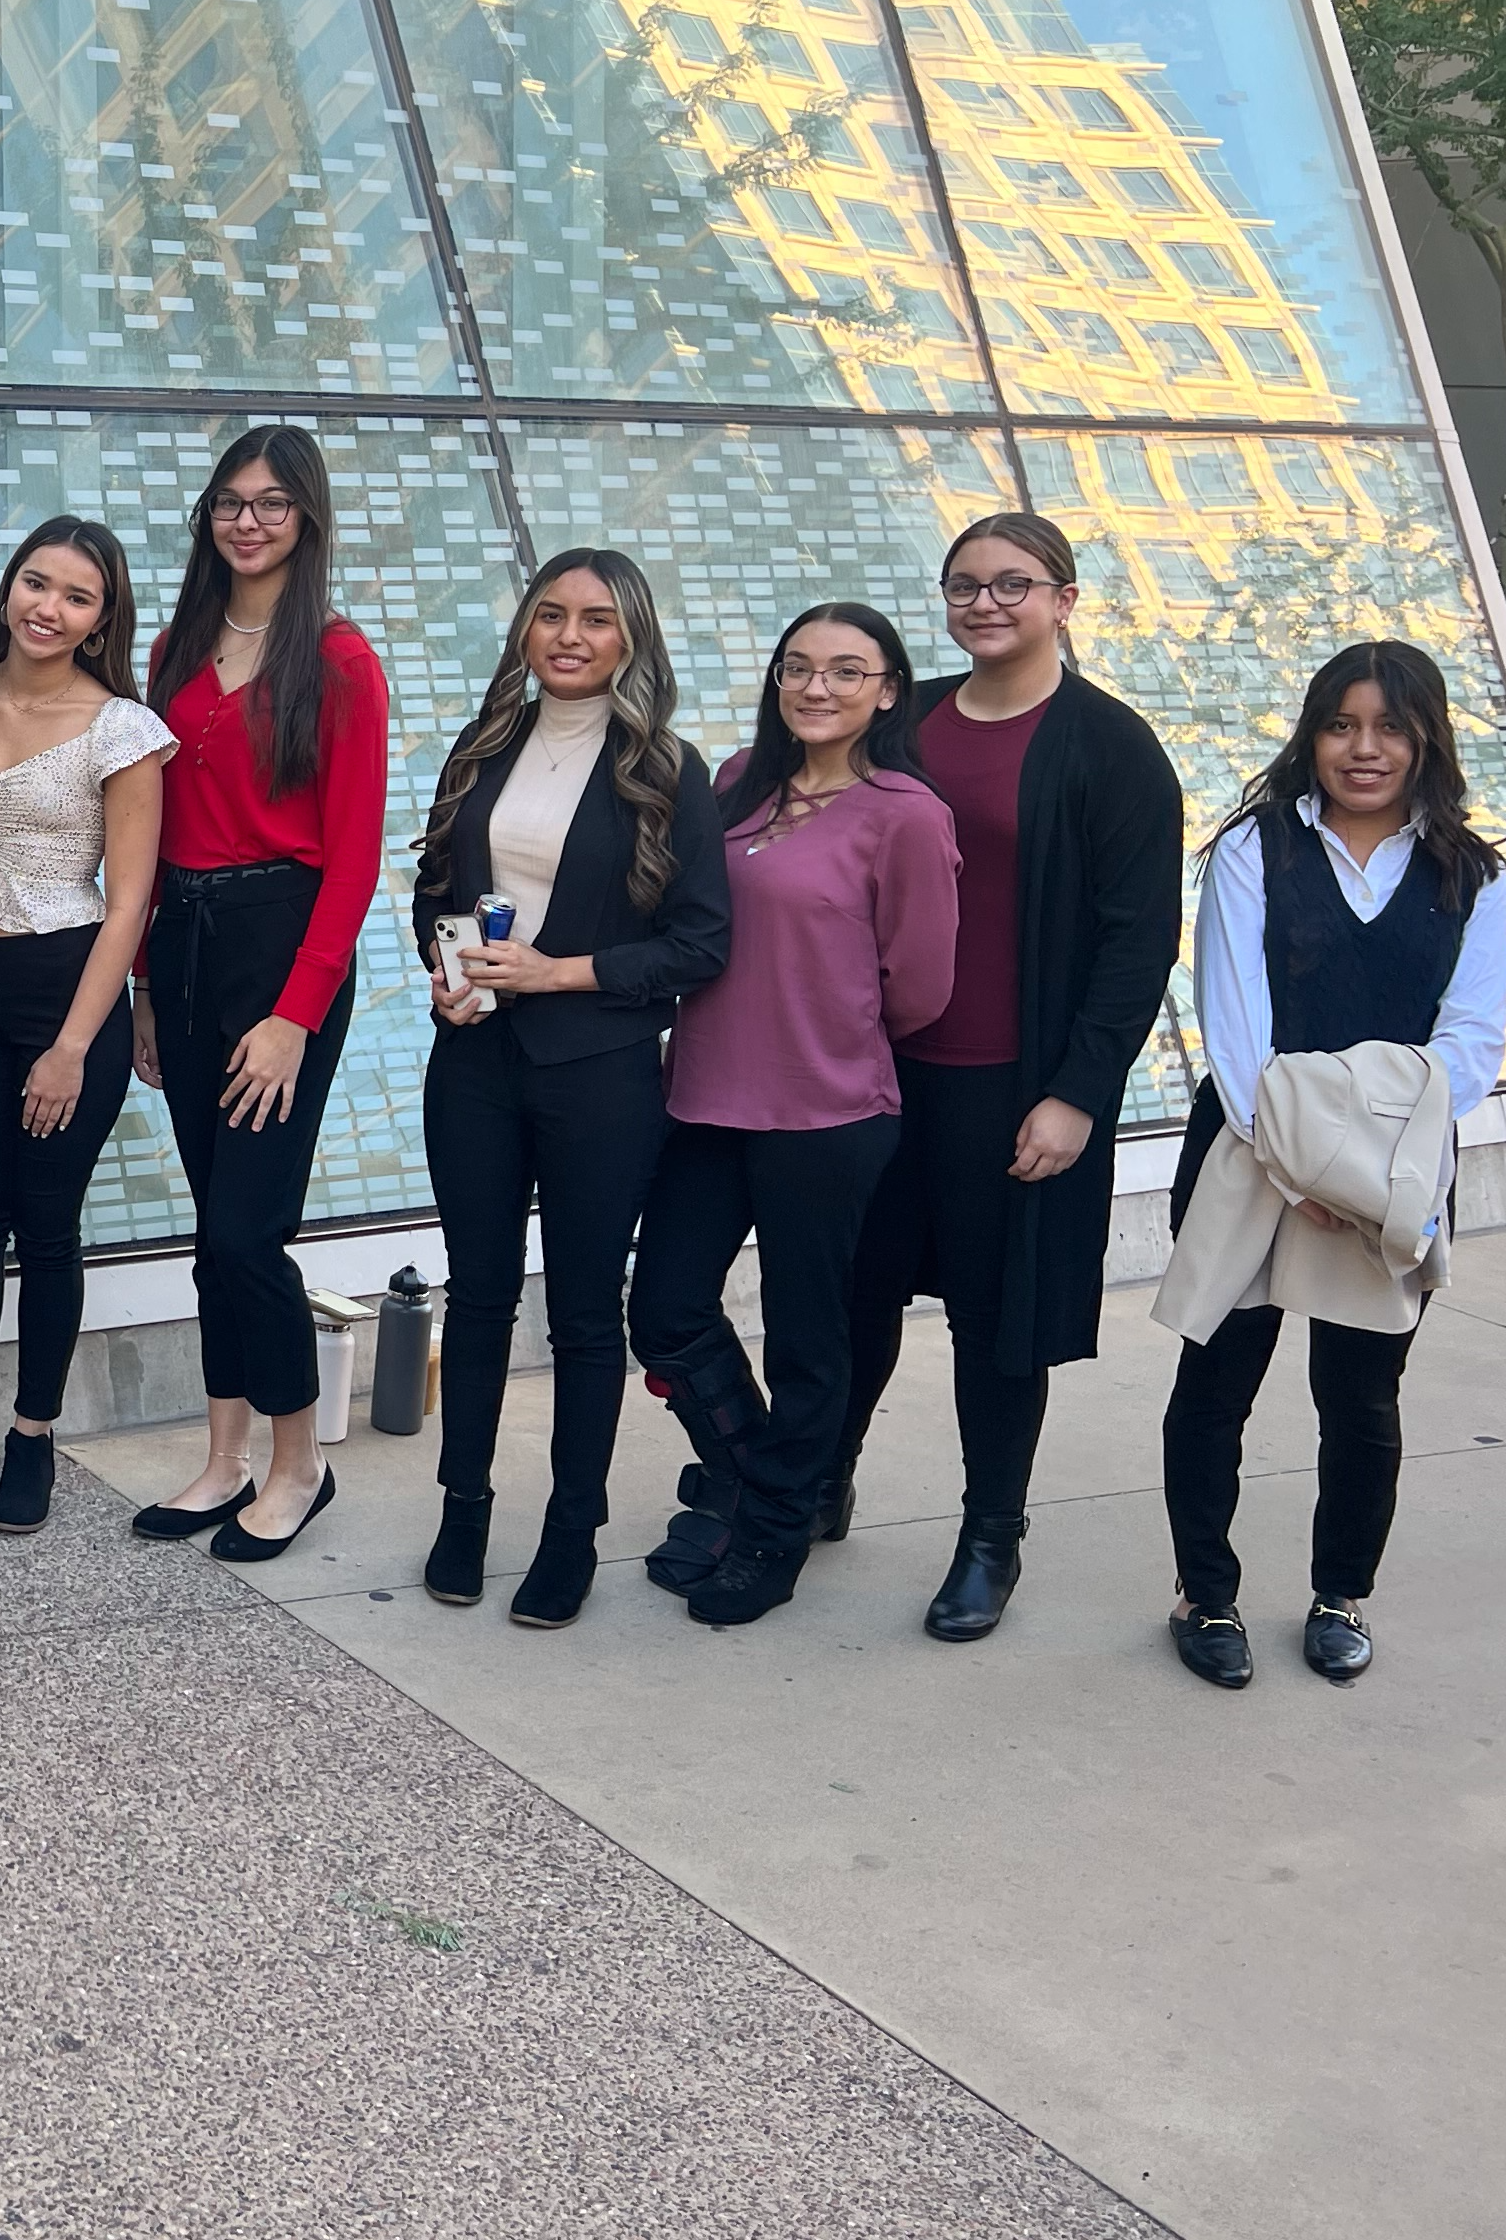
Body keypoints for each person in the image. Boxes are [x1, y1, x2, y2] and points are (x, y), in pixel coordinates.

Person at [838, 512, 1183, 1643]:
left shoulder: (1111, 747)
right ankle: (814, 1484)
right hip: (880, 1076)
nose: (985, 604)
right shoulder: (907, 717)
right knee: (853, 1296)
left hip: (1011, 1084)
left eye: (1012, 585)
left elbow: (1140, 941)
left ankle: (991, 1538)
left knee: (996, 1326)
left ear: (1065, 600)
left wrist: (1078, 1091)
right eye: (964, 586)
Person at [1155, 641, 1506, 1692]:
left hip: (1390, 1180)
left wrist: (1355, 1172)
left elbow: (1470, 1048)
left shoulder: (1473, 874)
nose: (1365, 749)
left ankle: (1338, 1595)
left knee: (1362, 1399)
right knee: (1215, 1387)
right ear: (1312, 732)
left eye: (1390, 728)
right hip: (1249, 1161)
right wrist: (1301, 1166)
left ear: (1426, 739)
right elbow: (1235, 1036)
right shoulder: (1252, 850)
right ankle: (1203, 1595)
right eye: (1342, 724)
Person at [409, 548, 728, 1627]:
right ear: (525, 631)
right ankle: (464, 1509)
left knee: (589, 1314)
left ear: (631, 634)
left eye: (596, 618)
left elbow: (701, 943)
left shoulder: (670, 771)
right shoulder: (484, 746)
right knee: (481, 1296)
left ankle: (571, 1530)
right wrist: (448, 976)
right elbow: (434, 890)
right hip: (478, 1063)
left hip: (599, 1071)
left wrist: (560, 972)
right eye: (550, 615)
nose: (570, 635)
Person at [625, 606, 959, 1630]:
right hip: (708, 1097)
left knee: (809, 1339)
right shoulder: (733, 786)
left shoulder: (906, 813)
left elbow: (921, 987)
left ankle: (775, 1530)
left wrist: (823, 1024)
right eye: (799, 668)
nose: (819, 688)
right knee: (666, 1310)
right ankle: (756, 1480)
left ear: (888, 690)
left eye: (847, 671)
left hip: (826, 1110)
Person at [128, 427, 390, 1567]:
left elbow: (357, 857)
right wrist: (141, 985)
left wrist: (294, 1015)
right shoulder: (175, 648)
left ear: (308, 519)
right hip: (179, 942)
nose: (247, 520)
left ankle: (300, 1464)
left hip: (281, 953)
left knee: (248, 1230)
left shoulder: (338, 660)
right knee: (209, 1232)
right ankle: (223, 1456)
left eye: (273, 503)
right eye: (230, 502)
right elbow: (146, 834)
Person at [0, 518, 171, 1535]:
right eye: (36, 582)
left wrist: (73, 1044)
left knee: (48, 1224)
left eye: (76, 596)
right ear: (7, 585)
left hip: (66, 984)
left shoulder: (121, 728)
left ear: (101, 617)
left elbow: (130, 900)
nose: (48, 607)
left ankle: (34, 1435)